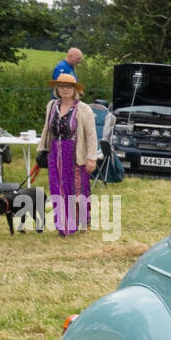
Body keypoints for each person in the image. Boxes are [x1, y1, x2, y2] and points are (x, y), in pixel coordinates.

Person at [38, 72, 97, 235]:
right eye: (62, 86)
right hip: (54, 151)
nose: (65, 90)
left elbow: (91, 134)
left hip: (74, 151)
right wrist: (42, 149)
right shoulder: (51, 105)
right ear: (57, 89)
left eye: (68, 87)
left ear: (74, 89)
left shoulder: (84, 109)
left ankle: (82, 221)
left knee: (76, 190)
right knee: (57, 188)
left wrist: (91, 157)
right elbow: (46, 129)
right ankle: (63, 226)